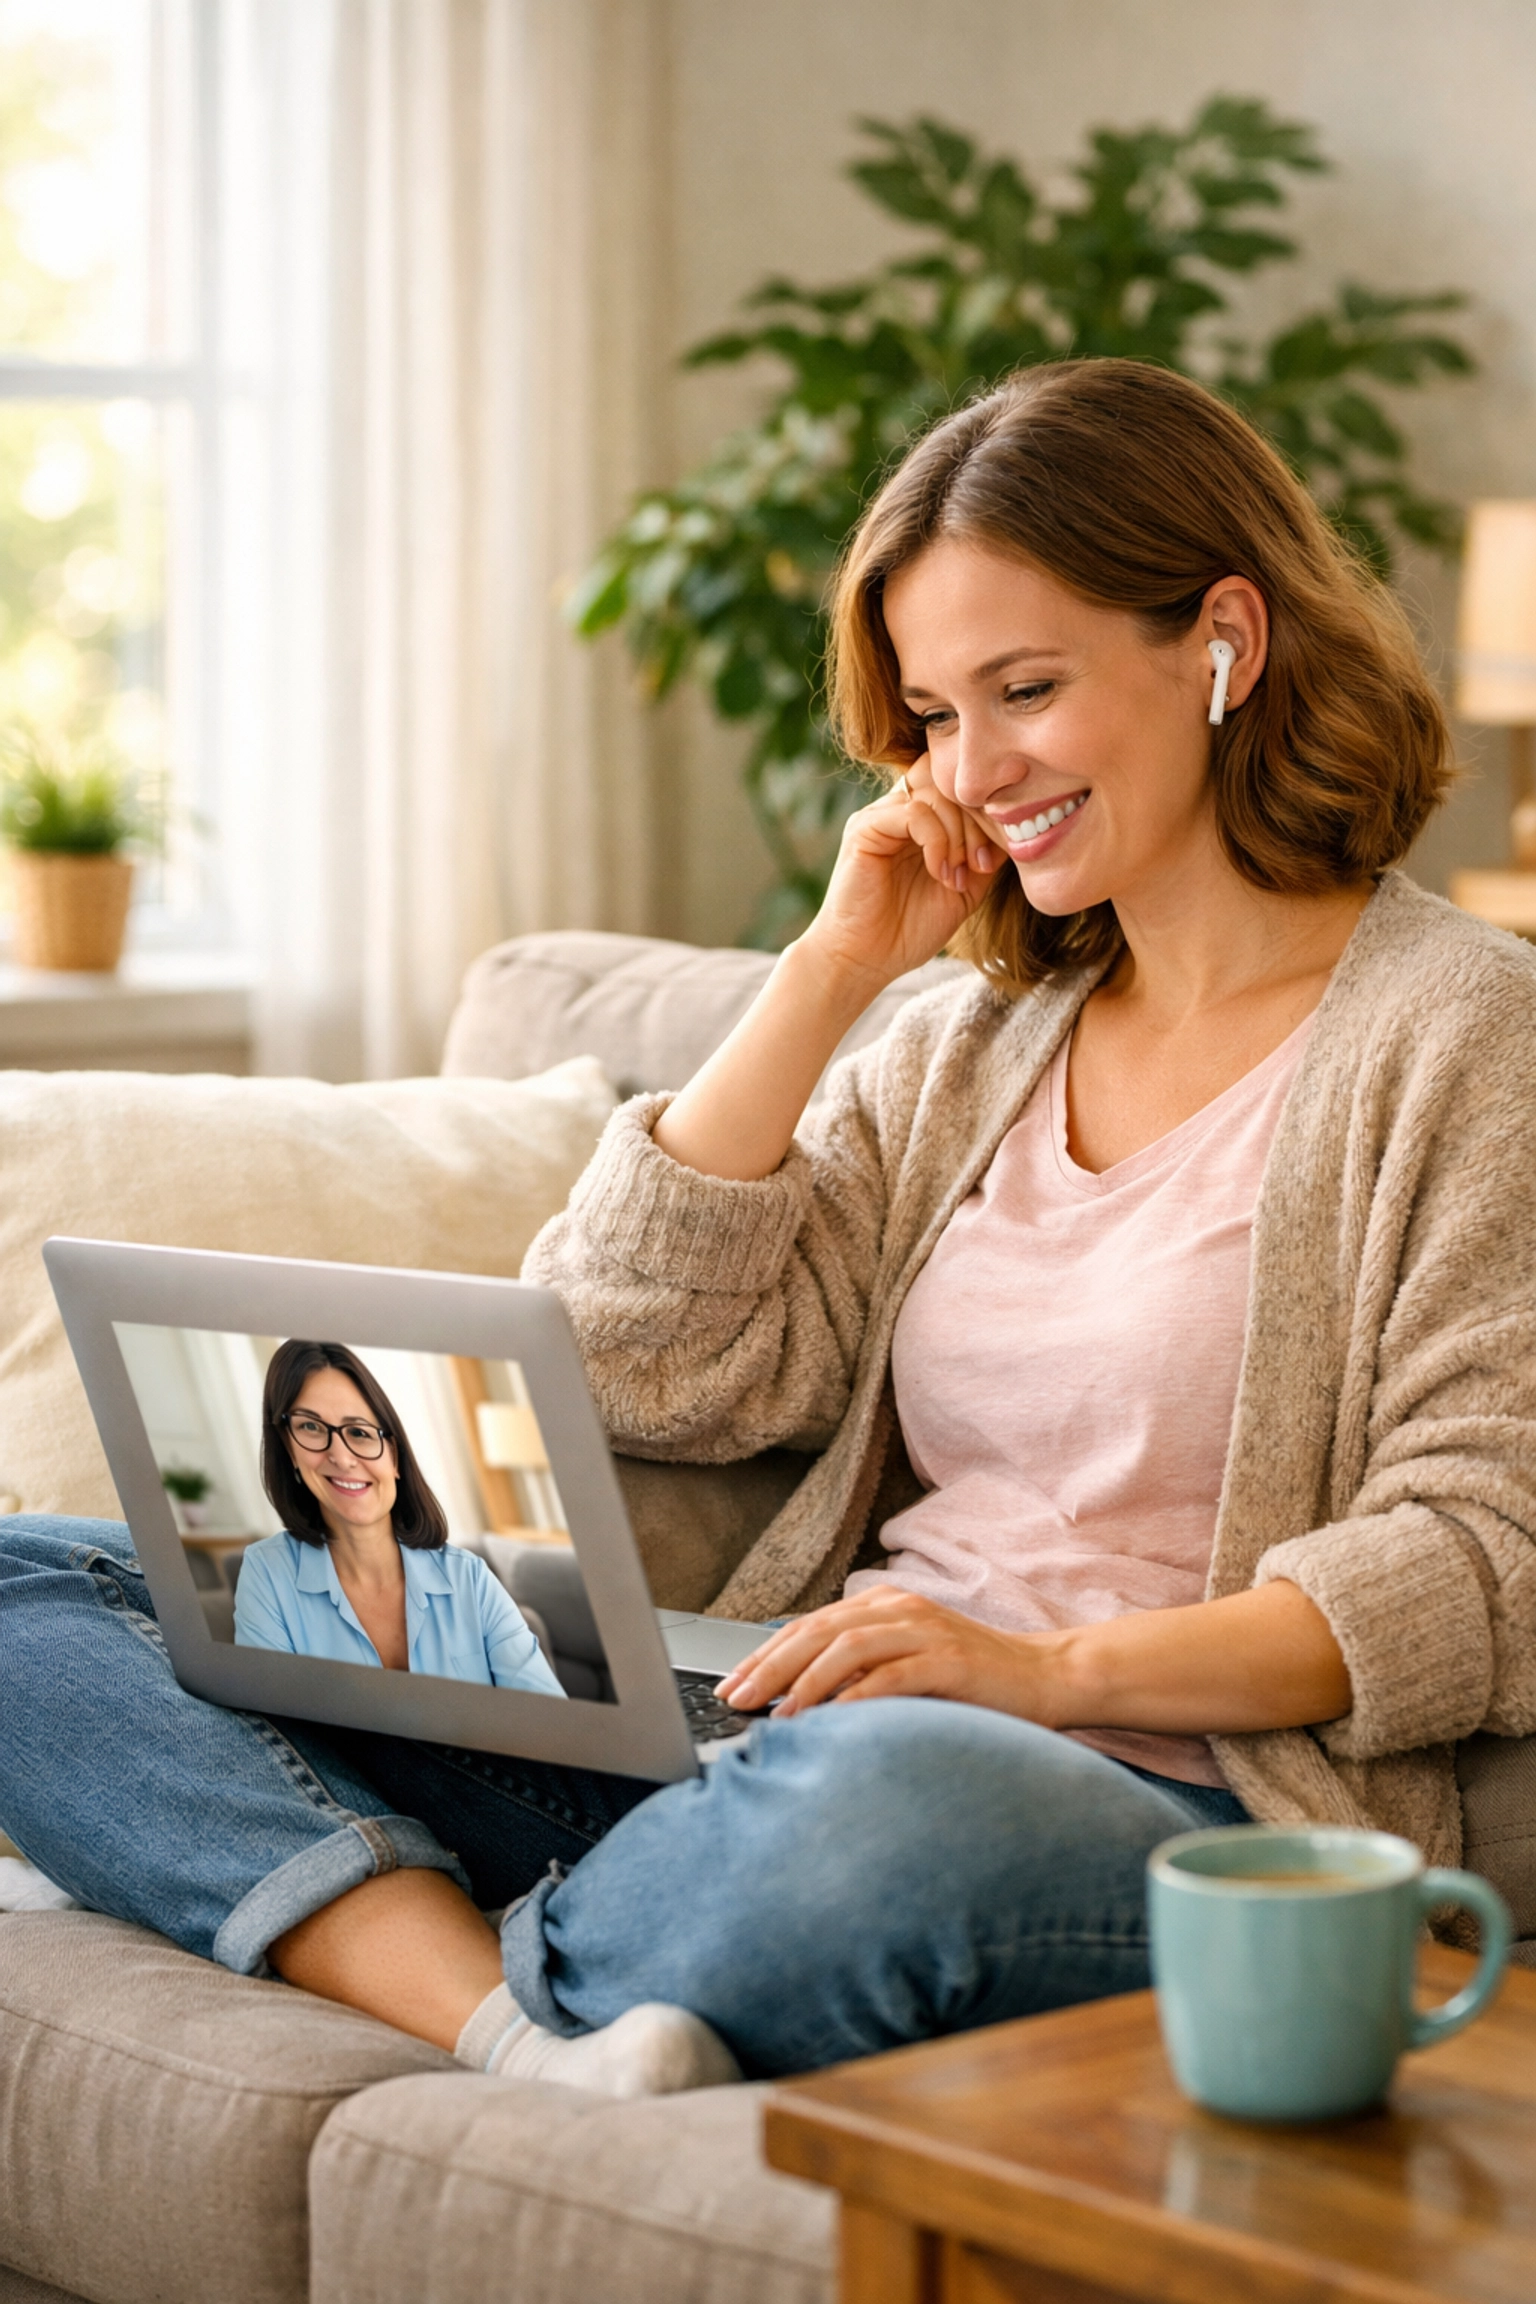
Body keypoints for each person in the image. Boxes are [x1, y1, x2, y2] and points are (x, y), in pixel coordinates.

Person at [3, 361, 1533, 2102]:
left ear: (1222, 641)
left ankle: (317, 1887)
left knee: (884, 1814)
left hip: (1116, 1793)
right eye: (936, 717)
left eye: (1024, 688)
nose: (977, 768)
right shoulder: (966, 1044)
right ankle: (507, 2011)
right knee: (31, 1581)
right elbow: (634, 1362)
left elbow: (1481, 1554)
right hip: (784, 1733)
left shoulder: (1469, 1036)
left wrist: (1033, 1672)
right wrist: (831, 973)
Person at [232, 1339, 564, 1698]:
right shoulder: (266, 1573)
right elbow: (277, 1733)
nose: (341, 1457)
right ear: (289, 1447)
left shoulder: (470, 1578)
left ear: (394, 1455)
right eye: (311, 1428)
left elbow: (551, 1729)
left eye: (359, 1432)